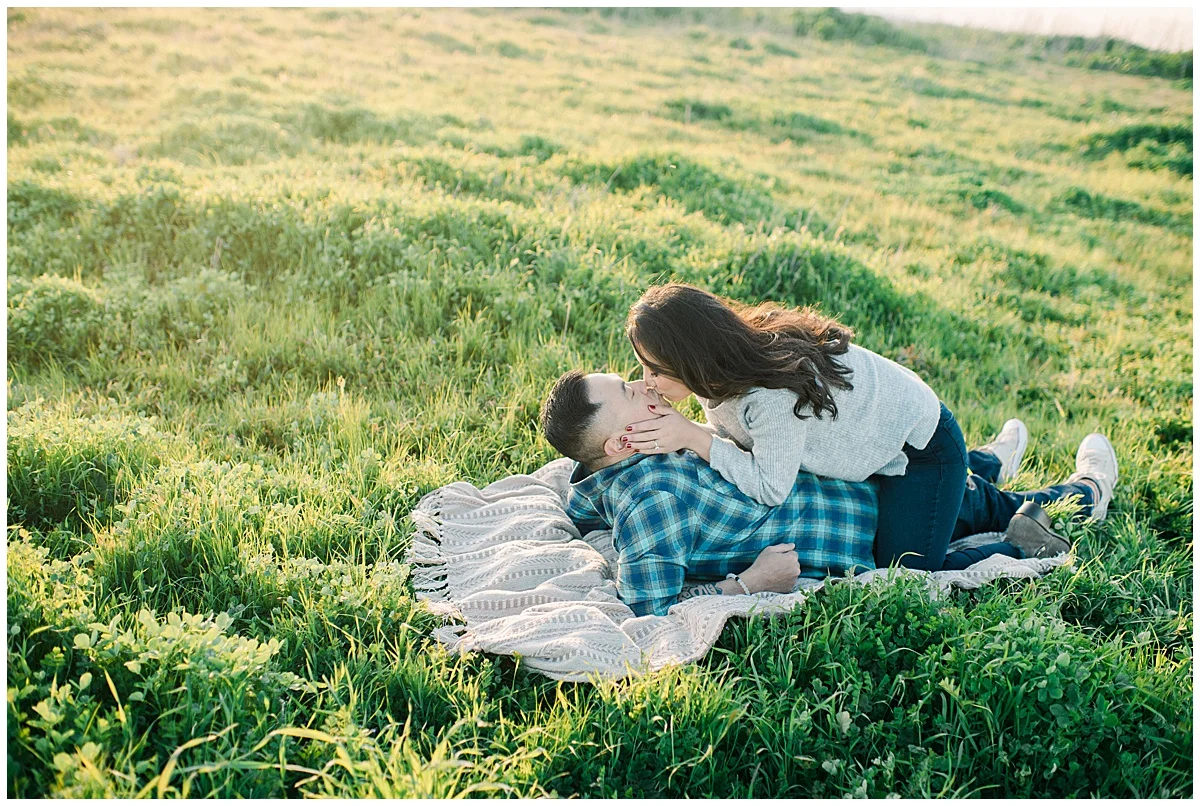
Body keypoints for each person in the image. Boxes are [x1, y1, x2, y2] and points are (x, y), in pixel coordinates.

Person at [621, 282, 1118, 572]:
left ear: (694, 356)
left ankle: (1081, 497)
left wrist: (692, 437)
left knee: (904, 570)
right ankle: (988, 463)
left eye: (656, 368)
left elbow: (771, 487)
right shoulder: (720, 374)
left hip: (919, 447)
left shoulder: (766, 394)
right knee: (953, 505)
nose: (647, 380)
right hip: (878, 437)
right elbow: (743, 448)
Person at [539, 370, 1118, 617]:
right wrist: (746, 584)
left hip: (861, 478)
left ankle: (986, 461)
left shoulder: (615, 469)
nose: (644, 386)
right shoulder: (652, 502)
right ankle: (1086, 490)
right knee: (996, 515)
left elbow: (581, 496)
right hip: (870, 522)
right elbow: (651, 610)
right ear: (620, 443)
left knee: (966, 486)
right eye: (628, 391)